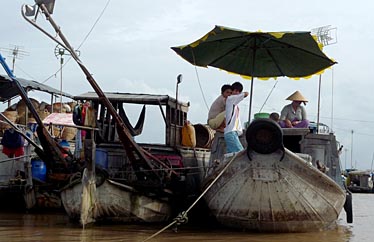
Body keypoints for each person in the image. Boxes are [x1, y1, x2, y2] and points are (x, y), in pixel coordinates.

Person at [224, 82, 249, 153]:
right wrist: (241, 94)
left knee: (231, 156)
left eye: (239, 91)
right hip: (231, 133)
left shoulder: (234, 104)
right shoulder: (231, 99)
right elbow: (246, 94)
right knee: (241, 154)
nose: (237, 93)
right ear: (232, 91)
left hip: (232, 133)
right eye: (235, 91)